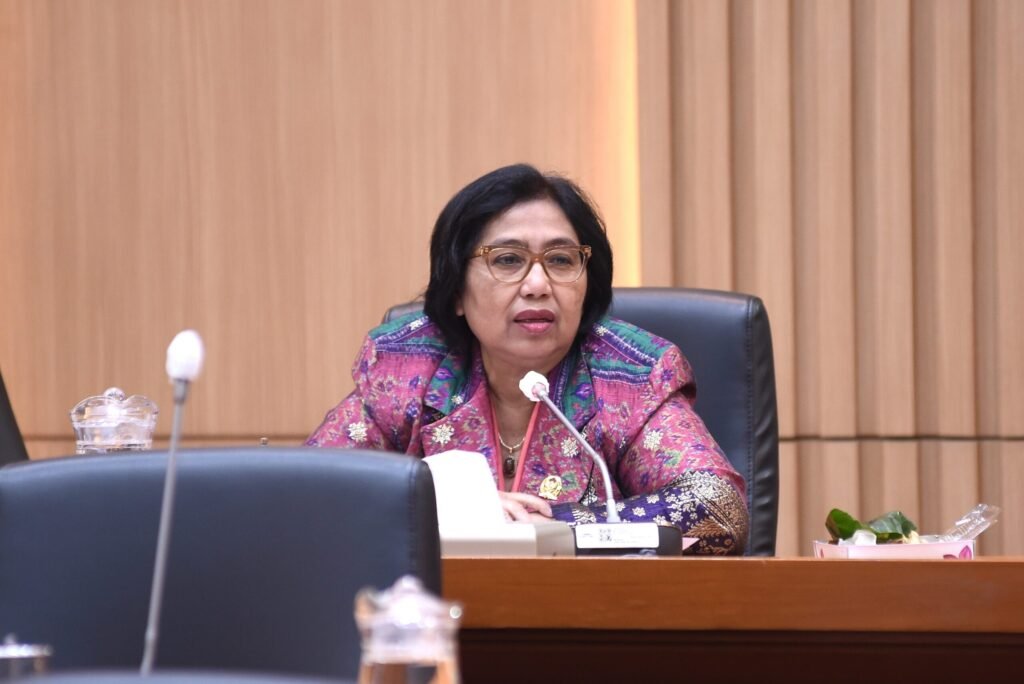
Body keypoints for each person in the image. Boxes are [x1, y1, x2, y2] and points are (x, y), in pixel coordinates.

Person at [307, 163, 749, 554]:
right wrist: (446, 506)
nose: (538, 284)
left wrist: (555, 525)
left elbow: (718, 509)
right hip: (433, 612)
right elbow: (312, 493)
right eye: (507, 260)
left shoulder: (629, 376)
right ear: (457, 289)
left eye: (561, 260)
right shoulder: (406, 368)